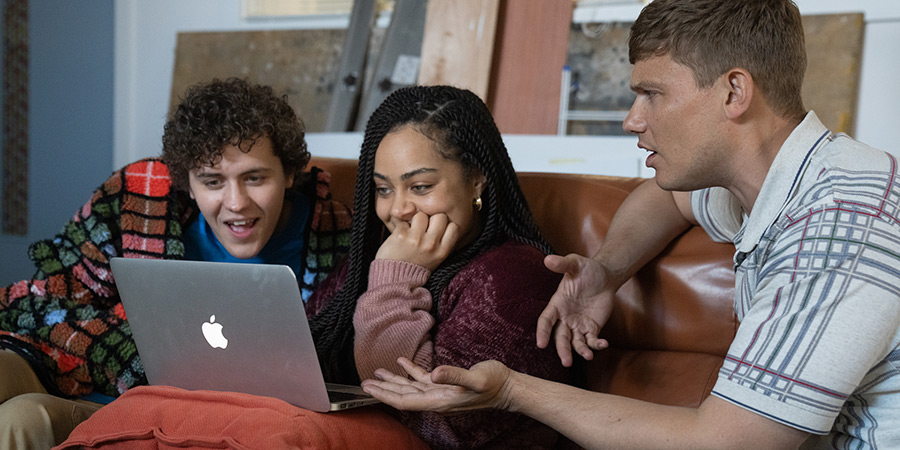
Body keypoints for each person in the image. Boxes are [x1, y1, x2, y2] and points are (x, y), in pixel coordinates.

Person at [360, 1, 900, 449]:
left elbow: (724, 443)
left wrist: (510, 391)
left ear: (735, 92)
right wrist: (607, 270)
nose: (632, 119)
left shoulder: (839, 223)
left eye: (652, 94)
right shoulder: (772, 183)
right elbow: (663, 202)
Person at [0, 77, 351, 448]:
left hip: (173, 415)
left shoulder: (335, 237)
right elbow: (40, 299)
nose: (235, 202)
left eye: (254, 177)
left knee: (20, 419)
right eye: (212, 182)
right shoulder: (139, 197)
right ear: (187, 181)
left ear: (289, 174)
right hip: (87, 378)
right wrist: (130, 353)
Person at [304, 85, 568, 448]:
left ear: (476, 178)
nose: (397, 209)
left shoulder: (517, 278)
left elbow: (438, 422)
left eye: (421, 186)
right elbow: (302, 345)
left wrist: (393, 281)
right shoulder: (378, 256)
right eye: (383, 190)